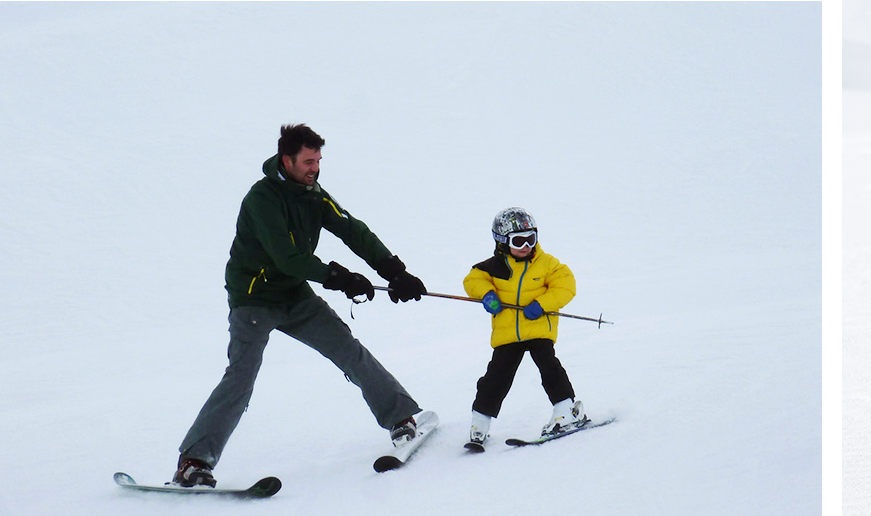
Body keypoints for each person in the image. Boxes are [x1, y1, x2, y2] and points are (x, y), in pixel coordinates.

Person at [172, 124, 432, 487]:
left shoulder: (312, 193)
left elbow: (351, 229)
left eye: (318, 160)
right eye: (308, 161)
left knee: (348, 349)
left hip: (294, 295)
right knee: (241, 378)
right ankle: (193, 462)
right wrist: (337, 277)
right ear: (287, 160)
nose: (315, 168)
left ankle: (402, 417)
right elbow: (287, 257)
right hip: (254, 299)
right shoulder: (262, 199)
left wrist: (394, 271)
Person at [462, 207, 589, 448]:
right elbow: (472, 280)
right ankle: (480, 423)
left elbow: (566, 285)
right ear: (502, 242)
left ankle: (566, 411)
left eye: (531, 239)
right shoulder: (493, 266)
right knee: (497, 376)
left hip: (539, 327)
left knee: (549, 366)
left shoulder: (547, 264)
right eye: (519, 240)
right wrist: (487, 295)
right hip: (508, 332)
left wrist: (542, 304)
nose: (526, 245)